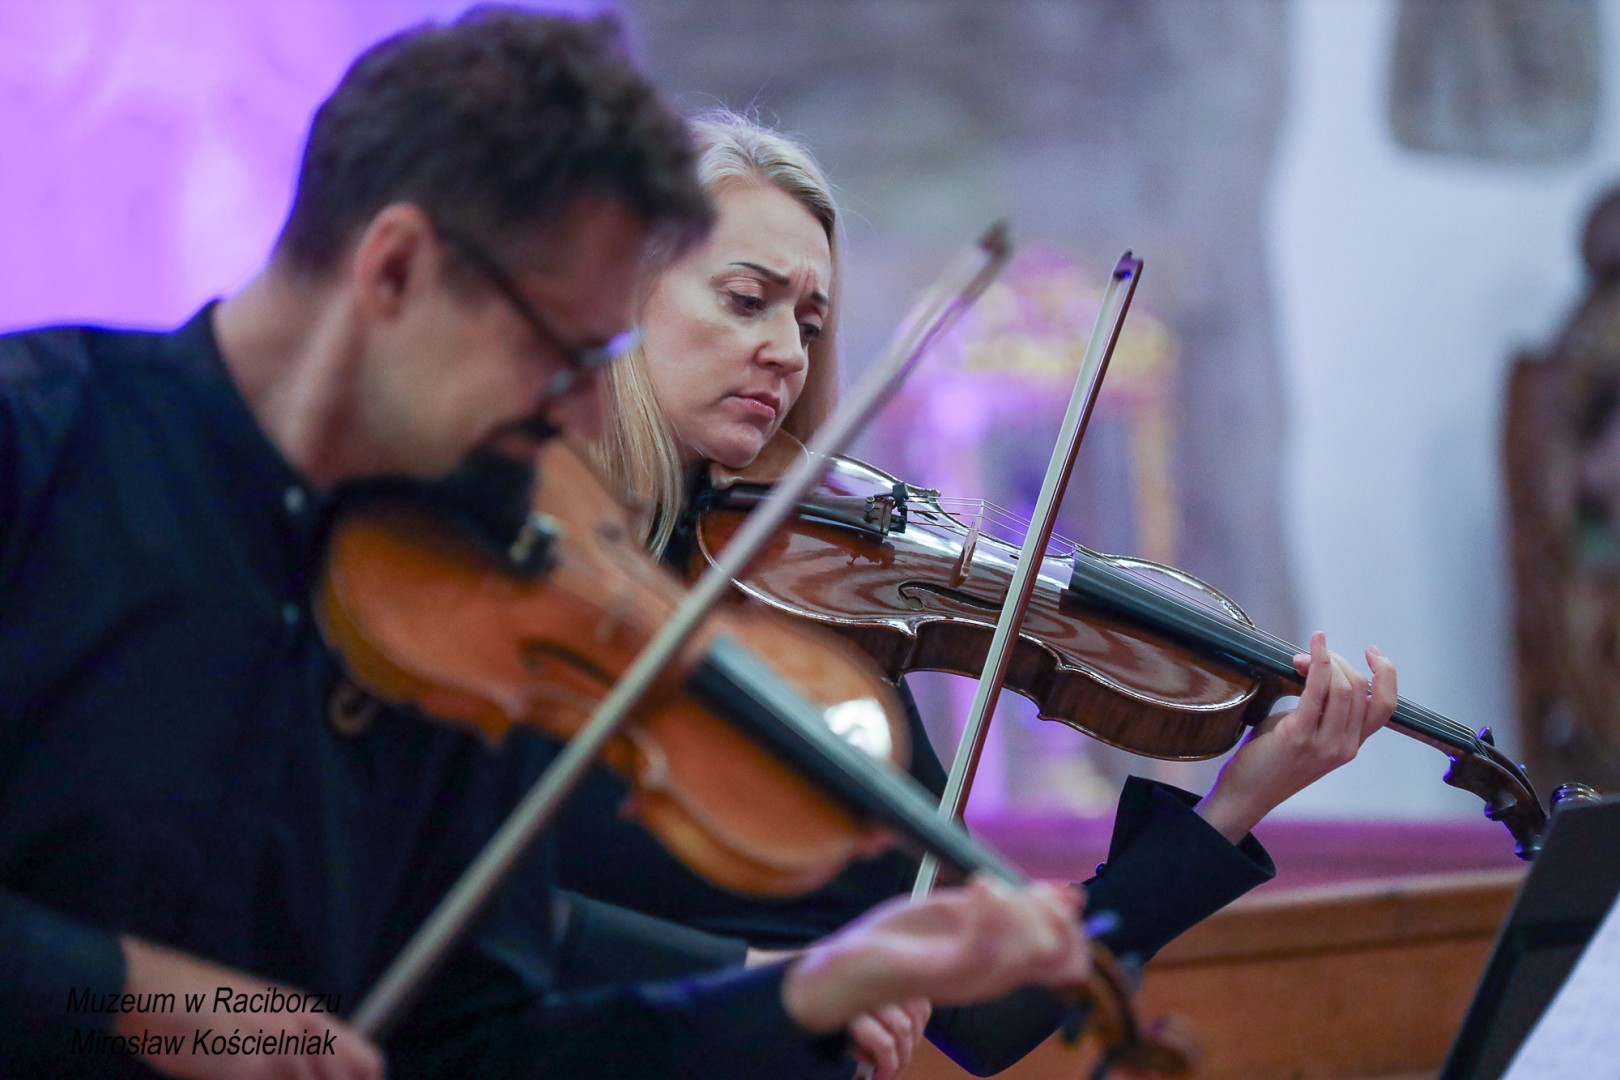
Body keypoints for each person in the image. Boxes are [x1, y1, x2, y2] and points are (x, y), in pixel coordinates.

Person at [0, 12, 1099, 1080]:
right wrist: (123, 992)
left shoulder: (463, 612)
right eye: (566, 355)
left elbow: (487, 1041)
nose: (583, 420)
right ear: (397, 272)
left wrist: (799, 997)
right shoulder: (34, 446)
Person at [561, 110, 1399, 1077]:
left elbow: (989, 1012)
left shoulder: (810, 613)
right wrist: (757, 976)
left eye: (810, 322)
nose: (789, 351)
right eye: (748, 300)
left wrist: (1233, 809)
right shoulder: (504, 585)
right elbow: (421, 932)